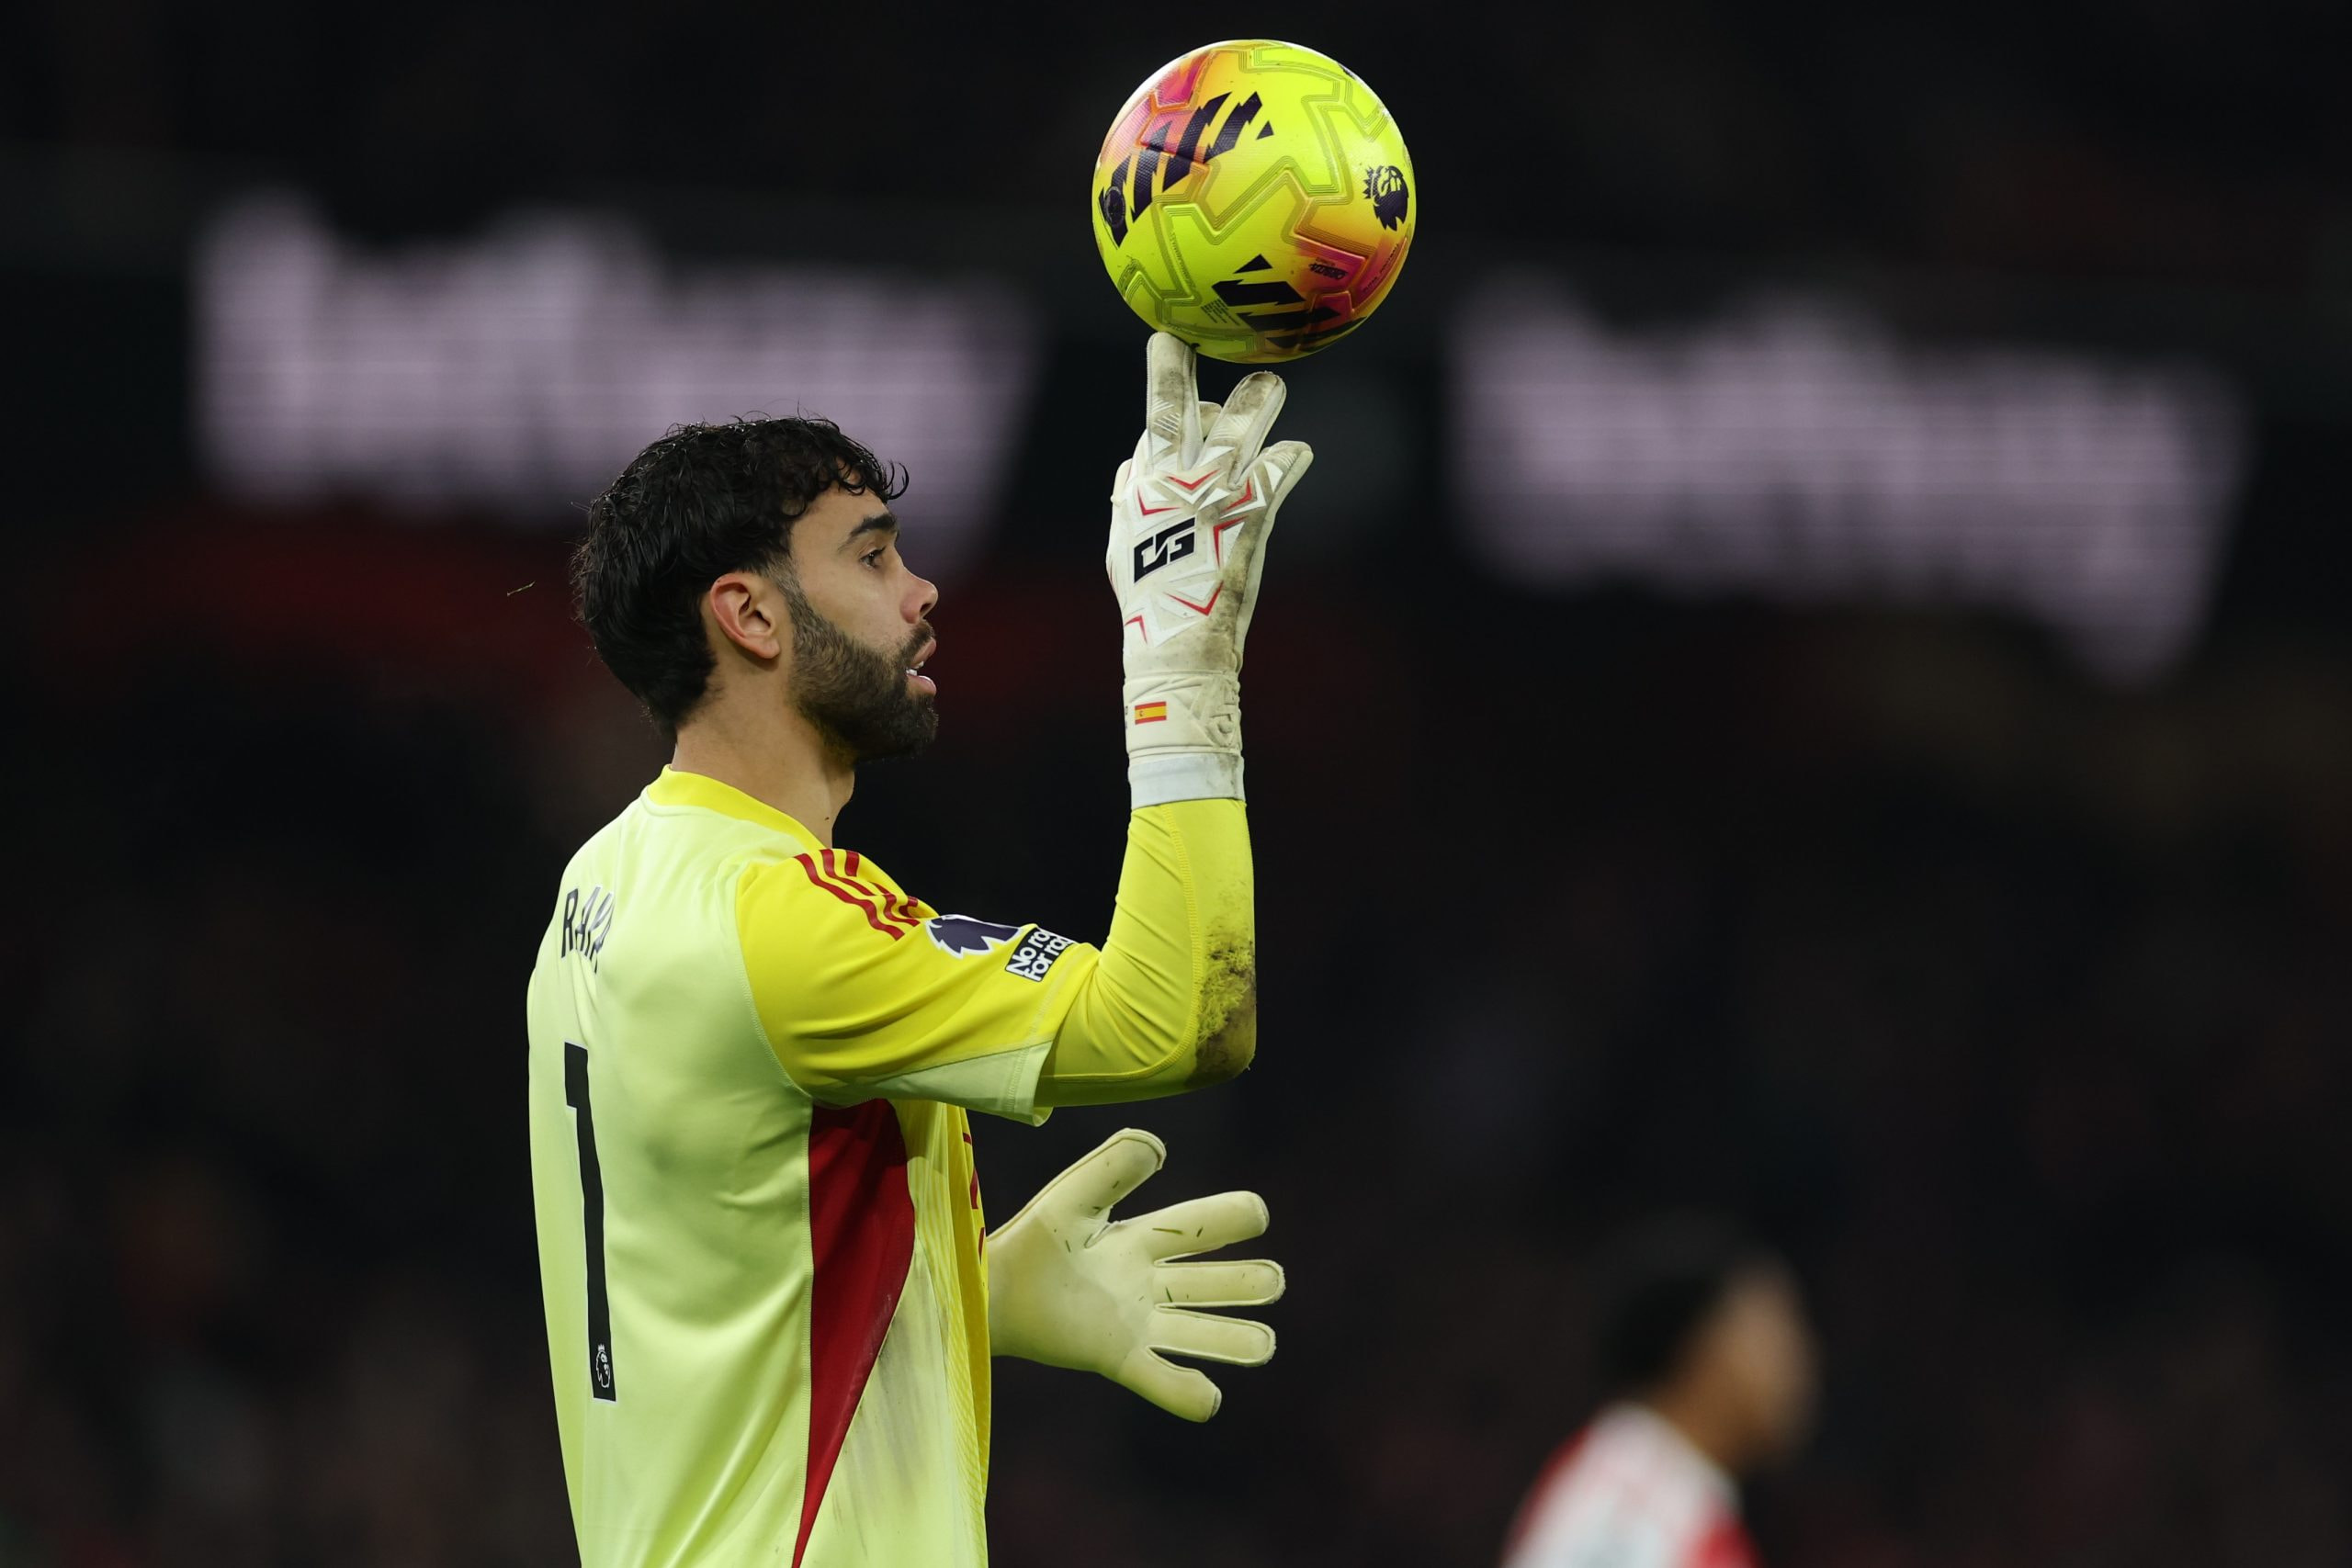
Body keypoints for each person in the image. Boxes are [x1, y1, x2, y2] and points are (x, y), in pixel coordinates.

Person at [526, 333, 1313, 1568]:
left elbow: (707, 1275)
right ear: (748, 614)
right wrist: (1180, 668)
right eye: (873, 553)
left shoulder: (604, 883)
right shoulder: (778, 917)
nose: (923, 590)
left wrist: (974, 1292)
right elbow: (1180, 1015)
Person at [1502, 1217, 1818, 1568]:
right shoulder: (1634, 1500)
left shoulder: (1679, 1500)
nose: (1798, 1362)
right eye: (1772, 1332)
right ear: (1704, 1344)